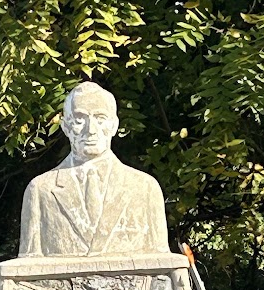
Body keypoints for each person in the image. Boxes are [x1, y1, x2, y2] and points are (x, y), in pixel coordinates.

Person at [19, 82, 170, 257]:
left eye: (100, 118)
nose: (91, 129)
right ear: (65, 127)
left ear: (114, 125)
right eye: (79, 119)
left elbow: (163, 265)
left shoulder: (145, 188)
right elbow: (26, 267)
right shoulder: (40, 191)